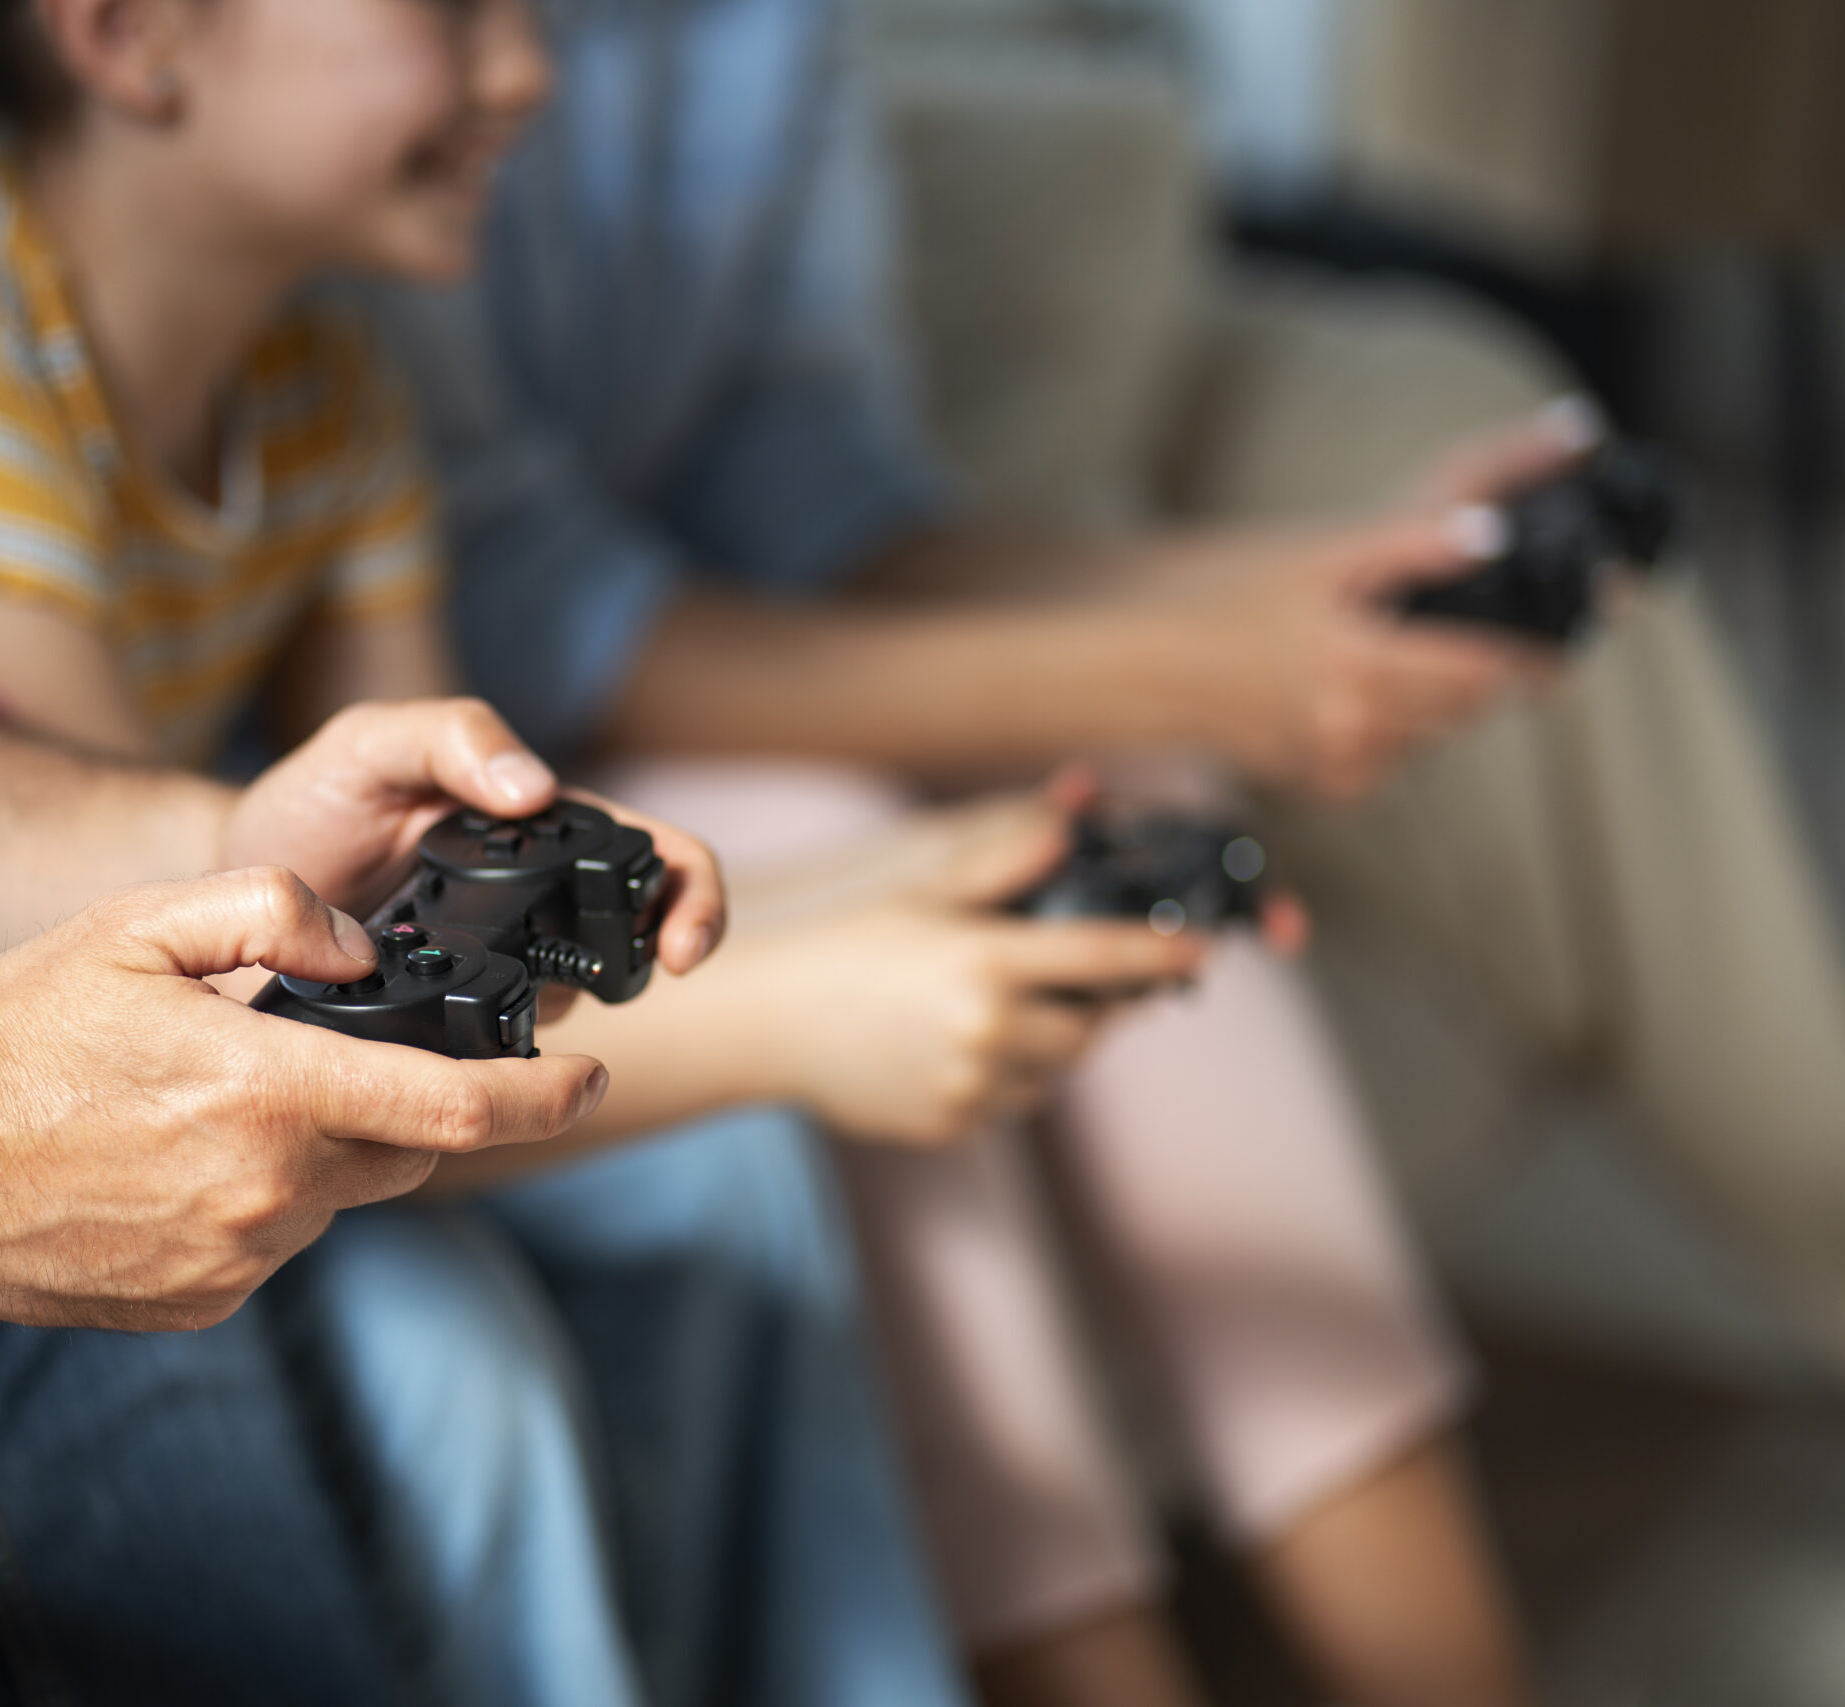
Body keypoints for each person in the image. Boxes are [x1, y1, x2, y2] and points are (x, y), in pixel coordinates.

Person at [0, 1, 974, 1701]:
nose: (528, 73)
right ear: (133, 39)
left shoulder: (321, 394)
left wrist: (912, 887)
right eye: (451, 15)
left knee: (725, 1181)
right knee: (447, 1357)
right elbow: (204, 1053)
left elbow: (427, 908)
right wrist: (807, 1021)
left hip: (118, 1035)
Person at [358, 0, 1580, 1701]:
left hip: (638, 672)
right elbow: (521, 606)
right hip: (512, 741)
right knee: (835, 844)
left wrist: (1276, 601)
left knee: (1113, 798)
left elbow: (827, 496)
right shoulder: (356, 143)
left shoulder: (758, 40)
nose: (526, 75)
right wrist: (1196, 665)